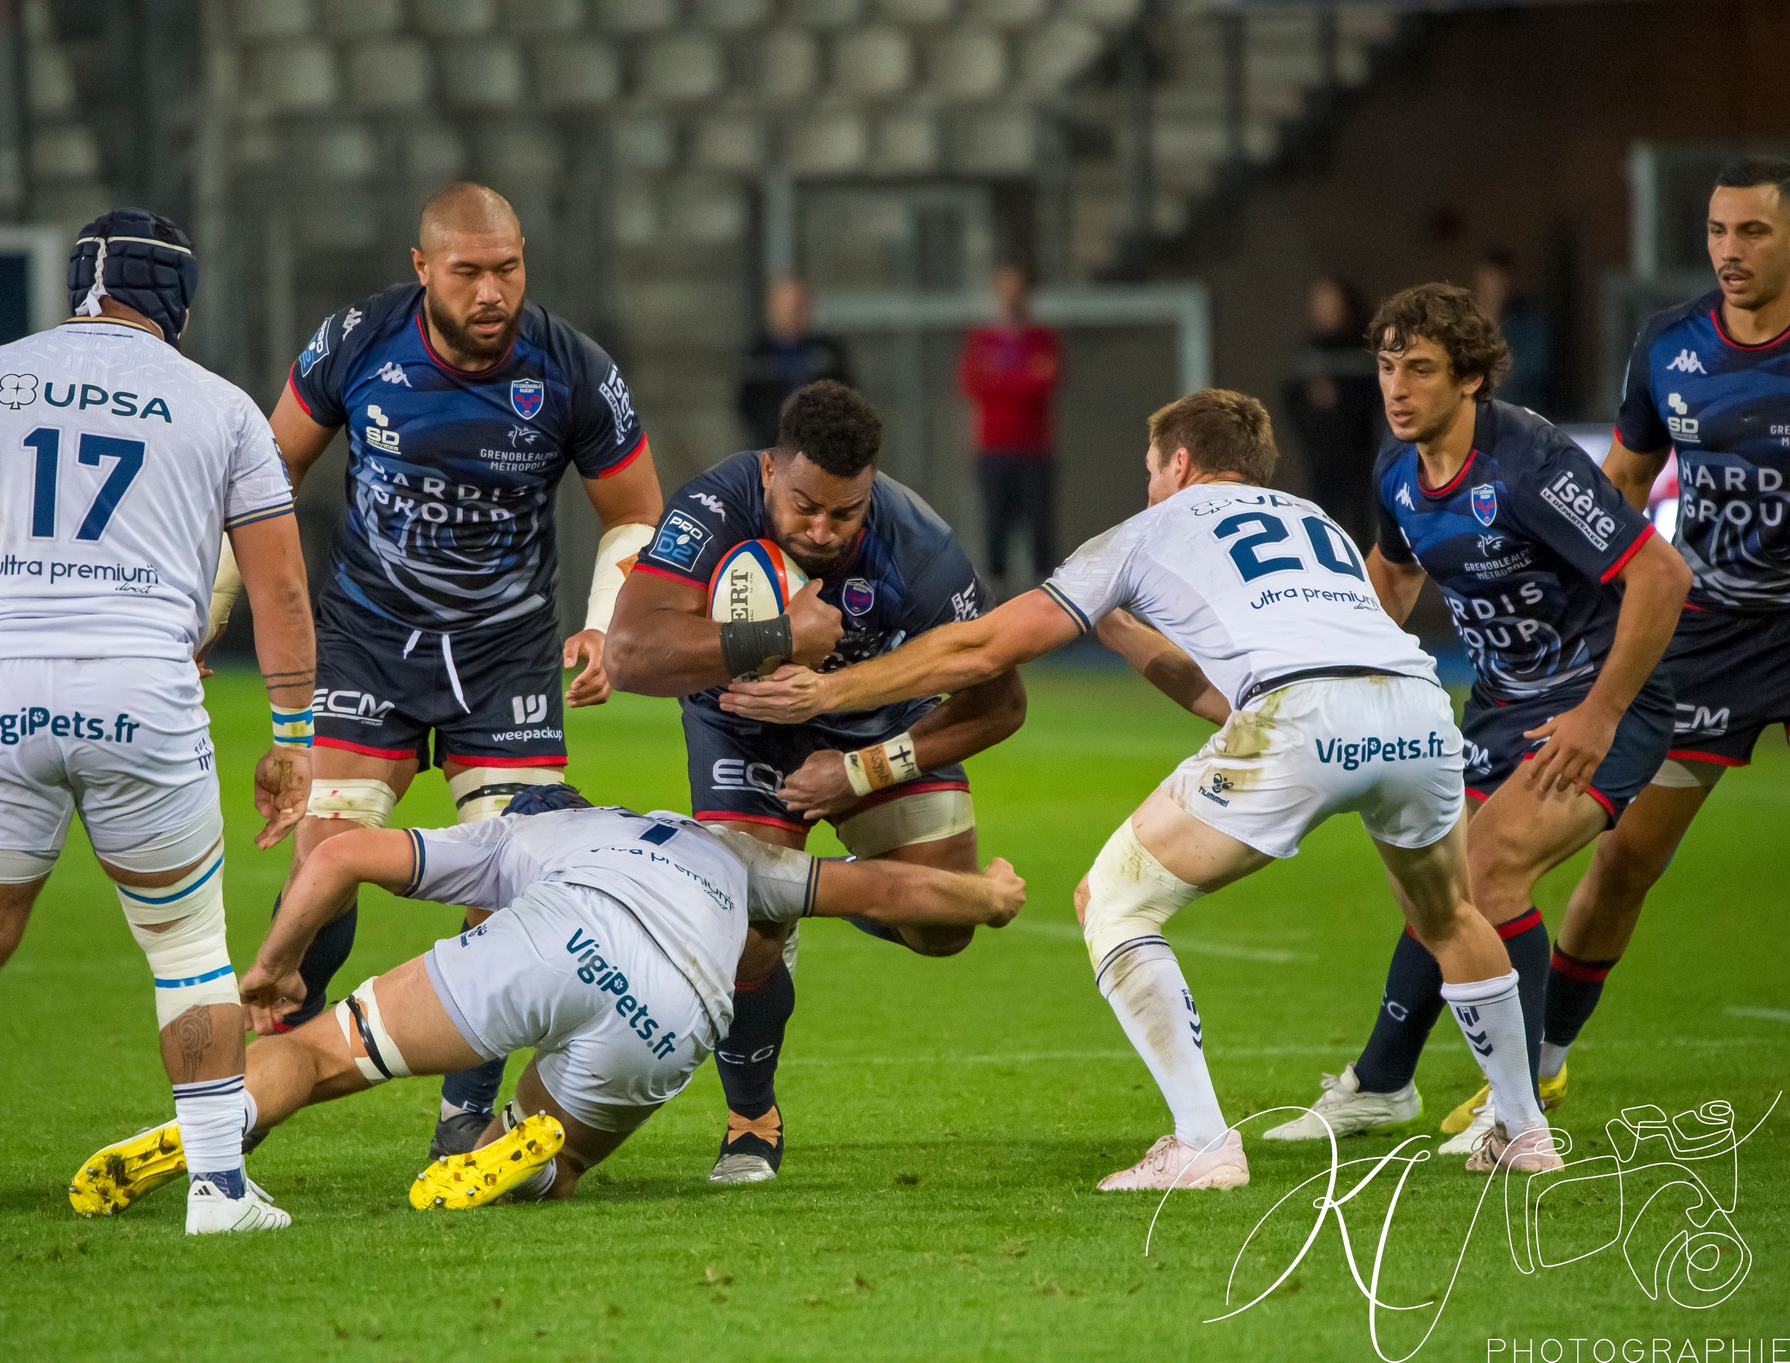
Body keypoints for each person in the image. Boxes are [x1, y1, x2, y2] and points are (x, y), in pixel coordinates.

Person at [723, 388, 1567, 1188]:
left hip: (1302, 717)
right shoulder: (1319, 524)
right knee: (1450, 914)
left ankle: (1201, 1141)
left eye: (1151, 468)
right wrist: (1122, 630)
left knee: (1114, 901)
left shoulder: (1150, 529)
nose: (1150, 484)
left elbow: (981, 651)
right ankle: (1523, 1129)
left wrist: (829, 691)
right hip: (1416, 707)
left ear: (1183, 461)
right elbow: (1216, 693)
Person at [0, 209, 319, 1245]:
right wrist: (291, 734)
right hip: (142, 688)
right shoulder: (221, 408)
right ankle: (219, 1189)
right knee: (188, 948)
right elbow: (280, 589)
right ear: (176, 294)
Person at [67, 784, 1026, 1215]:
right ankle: (524, 1162)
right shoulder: (733, 853)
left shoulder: (517, 843)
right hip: (679, 1010)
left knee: (319, 1052)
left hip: (561, 932)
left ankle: (222, 1119)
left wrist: (274, 965)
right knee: (555, 1157)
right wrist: (987, 896)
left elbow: (346, 853)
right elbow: (887, 888)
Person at [253, 182, 664, 1160]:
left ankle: (463, 1114)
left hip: (505, 662)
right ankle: (251, 1083)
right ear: (422, 268)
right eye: (469, 271)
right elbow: (267, 475)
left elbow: (635, 511)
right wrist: (221, 608)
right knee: (324, 866)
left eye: (507, 267)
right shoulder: (356, 341)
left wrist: (605, 627)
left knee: (515, 882)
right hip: (369, 647)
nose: (492, 291)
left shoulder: (570, 368)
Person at [1259, 284, 1689, 1151]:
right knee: (1430, 879)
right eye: (1386, 366)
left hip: (1601, 699)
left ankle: (1515, 1110)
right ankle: (1383, 1082)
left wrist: (1600, 715)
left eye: (1419, 368)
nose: (1397, 387)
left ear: (1470, 379)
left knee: (1485, 874)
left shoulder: (1529, 462)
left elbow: (1661, 578)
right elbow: (1391, 579)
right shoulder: (1397, 468)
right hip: (1497, 707)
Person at [605, 380, 1025, 1185]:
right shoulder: (715, 505)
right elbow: (628, 654)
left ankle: (814, 891)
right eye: (804, 506)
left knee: (946, 927)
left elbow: (1001, 701)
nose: (824, 531)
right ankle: (750, 1118)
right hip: (741, 726)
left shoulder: (919, 546)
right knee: (749, 930)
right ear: (770, 472)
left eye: (846, 512)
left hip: (876, 724)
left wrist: (864, 770)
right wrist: (777, 633)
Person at [1536, 156, 1790, 1093]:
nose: (1731, 251)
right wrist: (1586, 607)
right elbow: (1626, 485)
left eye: (1754, 232)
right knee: (1624, 859)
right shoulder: (1671, 343)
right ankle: (1543, 1062)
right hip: (1711, 635)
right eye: (1720, 231)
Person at [957, 264, 1061, 596]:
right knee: (995, 531)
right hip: (993, 451)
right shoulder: (981, 339)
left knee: (1040, 531)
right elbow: (972, 382)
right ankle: (996, 604)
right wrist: (1022, 377)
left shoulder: (1042, 338)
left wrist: (999, 377)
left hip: (1034, 451)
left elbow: (1047, 380)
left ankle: (1051, 607)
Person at [1282, 276, 1380, 545]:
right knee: (1320, 536)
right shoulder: (1306, 354)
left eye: (1330, 304)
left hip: (1360, 463)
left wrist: (1341, 397)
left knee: (1364, 537)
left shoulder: (1361, 352)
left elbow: (1375, 402)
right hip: (1320, 463)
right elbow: (1291, 401)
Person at [736, 277, 853, 451]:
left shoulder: (829, 351)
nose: (792, 313)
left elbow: (847, 394)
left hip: (824, 447)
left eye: (798, 306)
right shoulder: (756, 355)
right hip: (773, 446)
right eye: (786, 307)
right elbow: (746, 403)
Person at [1473, 249, 1556, 414]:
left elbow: (1531, 368)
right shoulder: (1468, 324)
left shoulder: (1529, 323)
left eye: (1496, 282)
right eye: (1485, 283)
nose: (1490, 290)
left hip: (1524, 414)